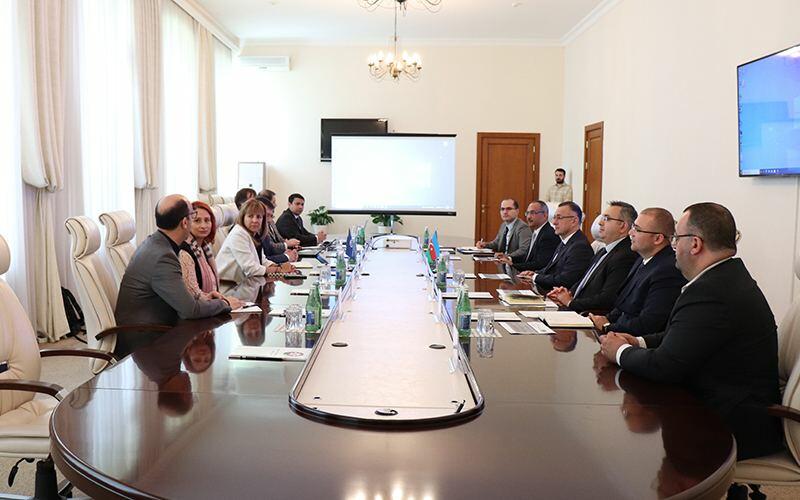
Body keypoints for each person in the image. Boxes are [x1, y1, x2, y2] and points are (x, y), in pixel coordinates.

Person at [599, 203, 783, 458]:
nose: (673, 246)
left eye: (676, 238)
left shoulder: (712, 292)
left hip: (730, 426)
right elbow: (682, 337)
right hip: (721, 408)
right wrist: (638, 342)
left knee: (623, 447)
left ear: (695, 244)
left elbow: (665, 366)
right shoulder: (724, 278)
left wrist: (619, 352)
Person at [115, 194, 231, 329]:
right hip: (148, 336)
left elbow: (182, 298)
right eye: (193, 216)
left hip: (155, 327)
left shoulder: (155, 243)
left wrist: (205, 298)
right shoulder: (163, 257)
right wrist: (225, 303)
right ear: (185, 222)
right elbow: (190, 310)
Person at [589, 208, 686, 336]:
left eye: (637, 229)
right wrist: (606, 319)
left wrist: (608, 327)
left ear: (658, 238)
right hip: (617, 331)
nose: (630, 232)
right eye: (633, 227)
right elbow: (622, 304)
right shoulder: (641, 258)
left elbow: (649, 323)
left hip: (632, 339)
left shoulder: (668, 271)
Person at [547, 201, 638, 313]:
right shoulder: (603, 250)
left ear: (623, 226)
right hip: (577, 309)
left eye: (606, 219)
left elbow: (607, 299)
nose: (600, 223)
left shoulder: (625, 256)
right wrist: (568, 293)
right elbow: (584, 281)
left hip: (589, 316)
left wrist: (570, 302)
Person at [176, 201, 243, 309]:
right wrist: (225, 303)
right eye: (197, 221)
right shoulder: (184, 252)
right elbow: (193, 296)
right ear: (186, 223)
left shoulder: (205, 248)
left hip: (209, 307)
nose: (203, 226)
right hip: (197, 311)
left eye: (207, 220)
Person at [517, 201, 593, 294]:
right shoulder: (565, 241)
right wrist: (534, 273)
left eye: (559, 218)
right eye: (554, 218)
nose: (554, 222)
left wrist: (535, 277)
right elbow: (550, 268)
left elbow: (565, 280)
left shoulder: (580, 247)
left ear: (574, 221)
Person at [217, 198, 295, 282]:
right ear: (243, 217)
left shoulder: (254, 234)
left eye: (259, 217)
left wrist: (280, 266)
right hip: (228, 285)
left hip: (244, 282)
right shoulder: (238, 234)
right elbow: (250, 269)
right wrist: (279, 270)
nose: (255, 220)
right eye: (250, 216)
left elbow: (262, 261)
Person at [498, 201, 559, 272]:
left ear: (545, 215)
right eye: (527, 213)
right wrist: (509, 258)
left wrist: (513, 265)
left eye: (533, 213)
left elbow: (540, 264)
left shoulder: (548, 235)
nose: (529, 217)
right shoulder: (536, 232)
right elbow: (528, 257)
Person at [258, 197, 299, 264]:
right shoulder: (251, 234)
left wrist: (286, 252)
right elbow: (262, 261)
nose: (270, 220)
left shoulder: (263, 231)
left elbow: (270, 251)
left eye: (271, 216)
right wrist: (287, 256)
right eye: (267, 215)